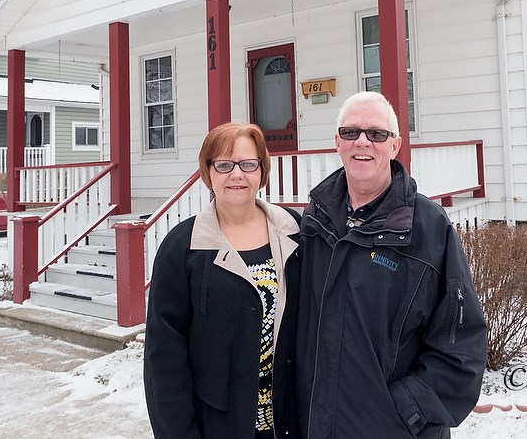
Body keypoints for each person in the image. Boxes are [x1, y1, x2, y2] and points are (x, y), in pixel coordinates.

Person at [296, 91, 488, 438]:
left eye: (377, 133)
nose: (363, 142)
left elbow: (461, 345)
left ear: (395, 145)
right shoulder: (315, 220)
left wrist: (404, 410)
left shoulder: (428, 228)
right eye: (351, 132)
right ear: (337, 143)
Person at [144, 122, 301, 439]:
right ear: (209, 172)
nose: (237, 174)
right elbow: (164, 358)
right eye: (225, 164)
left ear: (261, 170)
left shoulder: (295, 233)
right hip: (218, 425)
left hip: (292, 421)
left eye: (248, 164)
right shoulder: (183, 247)